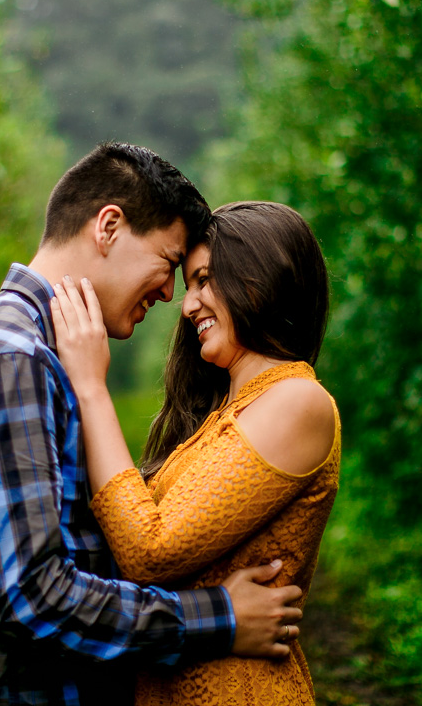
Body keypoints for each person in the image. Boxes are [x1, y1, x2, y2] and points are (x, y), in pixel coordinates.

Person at [0, 145, 305, 706]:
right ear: (109, 227)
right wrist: (218, 616)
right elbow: (32, 596)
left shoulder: (44, 357)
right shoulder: (5, 358)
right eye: (168, 264)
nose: (170, 294)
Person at [49, 201, 341, 705]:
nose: (188, 306)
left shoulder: (297, 401)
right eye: (189, 286)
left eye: (205, 280)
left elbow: (149, 551)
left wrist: (90, 386)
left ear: (260, 276)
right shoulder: (227, 411)